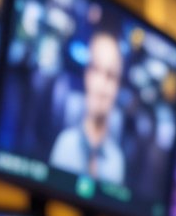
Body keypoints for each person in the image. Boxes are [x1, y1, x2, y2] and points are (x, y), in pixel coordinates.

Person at [48, 30, 125, 184]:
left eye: (110, 75)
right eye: (95, 70)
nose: (102, 85)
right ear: (87, 76)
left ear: (118, 87)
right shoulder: (64, 145)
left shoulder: (117, 163)